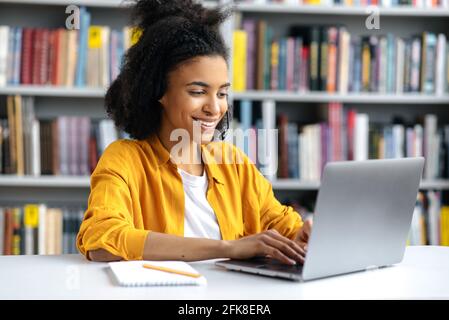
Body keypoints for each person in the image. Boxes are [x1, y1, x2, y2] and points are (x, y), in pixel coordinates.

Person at [76, 0, 312, 265]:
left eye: (222, 93)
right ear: (159, 92)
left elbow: (280, 223)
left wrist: (302, 236)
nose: (214, 108)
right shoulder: (125, 160)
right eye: (198, 92)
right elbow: (102, 241)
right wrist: (228, 248)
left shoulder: (232, 163)